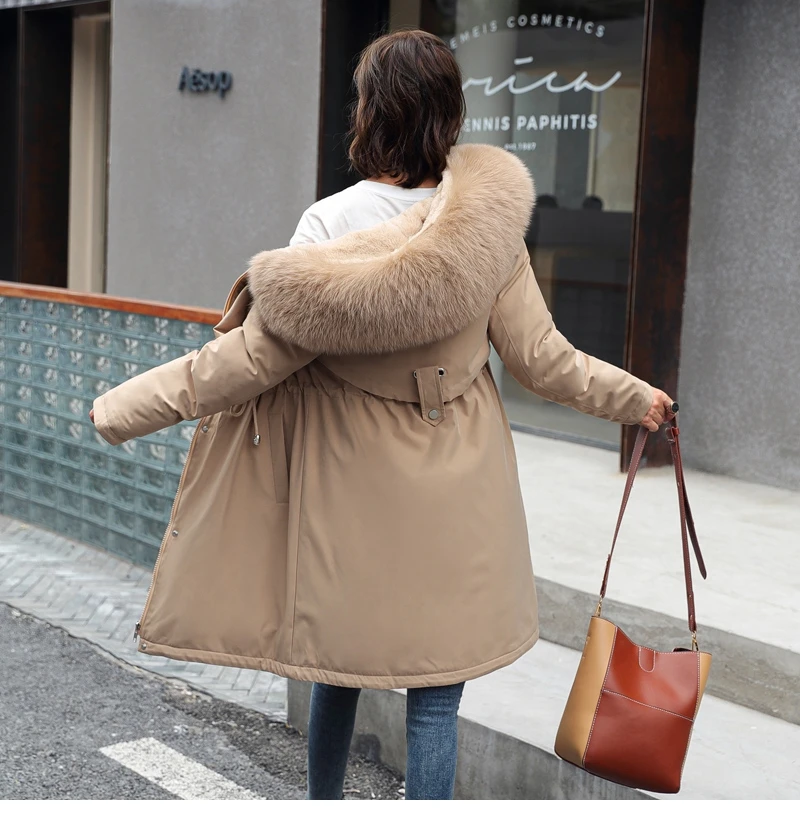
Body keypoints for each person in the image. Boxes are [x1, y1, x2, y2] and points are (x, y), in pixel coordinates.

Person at [89, 29, 675, 801]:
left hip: (350, 492)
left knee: (338, 669)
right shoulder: (487, 228)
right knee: (436, 696)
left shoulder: (329, 225)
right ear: (450, 114)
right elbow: (545, 360)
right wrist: (637, 398)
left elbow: (244, 363)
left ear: (370, 112)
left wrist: (119, 408)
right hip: (459, 490)